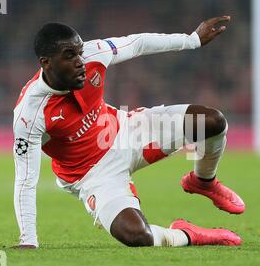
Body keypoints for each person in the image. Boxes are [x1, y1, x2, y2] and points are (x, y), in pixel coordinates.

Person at [13, 16, 245, 249]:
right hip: (93, 175)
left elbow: (137, 43)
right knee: (137, 236)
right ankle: (188, 234)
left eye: (80, 52)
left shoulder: (95, 54)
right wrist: (28, 241)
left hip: (127, 131)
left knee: (213, 122)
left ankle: (203, 181)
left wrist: (192, 40)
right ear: (46, 63)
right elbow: (25, 180)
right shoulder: (30, 113)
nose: (81, 61)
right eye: (70, 56)